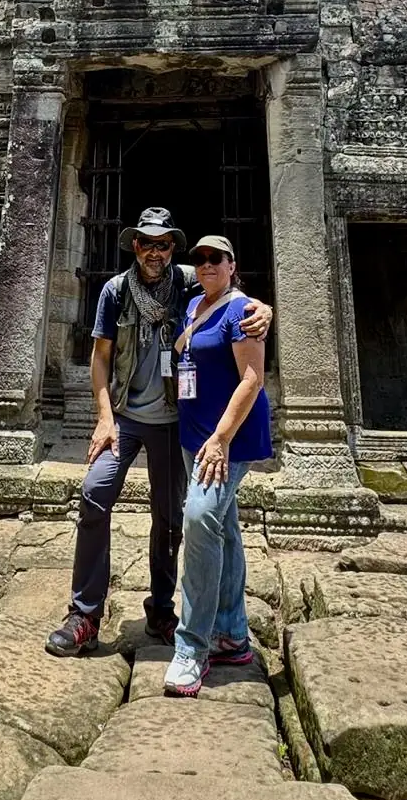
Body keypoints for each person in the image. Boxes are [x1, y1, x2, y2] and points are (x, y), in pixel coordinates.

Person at [46, 208, 272, 656]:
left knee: (170, 519)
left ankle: (162, 609)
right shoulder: (115, 291)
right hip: (126, 415)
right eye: (147, 243)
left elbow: (227, 291)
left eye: (164, 244)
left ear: (172, 249)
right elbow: (100, 358)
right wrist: (104, 417)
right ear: (135, 245)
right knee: (94, 492)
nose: (155, 251)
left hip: (172, 421)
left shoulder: (188, 281)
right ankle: (85, 613)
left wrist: (262, 308)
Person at [163, 233, 273, 697]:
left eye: (216, 258)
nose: (206, 265)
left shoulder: (243, 310)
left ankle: (193, 645)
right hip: (195, 433)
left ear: (233, 264)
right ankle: (232, 632)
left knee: (199, 517)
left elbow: (252, 379)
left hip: (226, 439)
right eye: (200, 259)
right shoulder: (193, 303)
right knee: (223, 526)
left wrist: (221, 439)